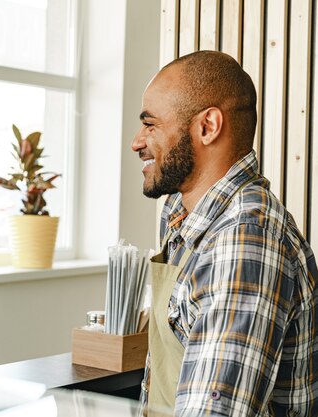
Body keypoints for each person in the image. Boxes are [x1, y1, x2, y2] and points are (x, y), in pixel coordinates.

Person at [132, 50, 318, 416]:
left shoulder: (246, 238)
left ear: (208, 127)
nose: (137, 142)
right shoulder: (181, 214)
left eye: (151, 125)